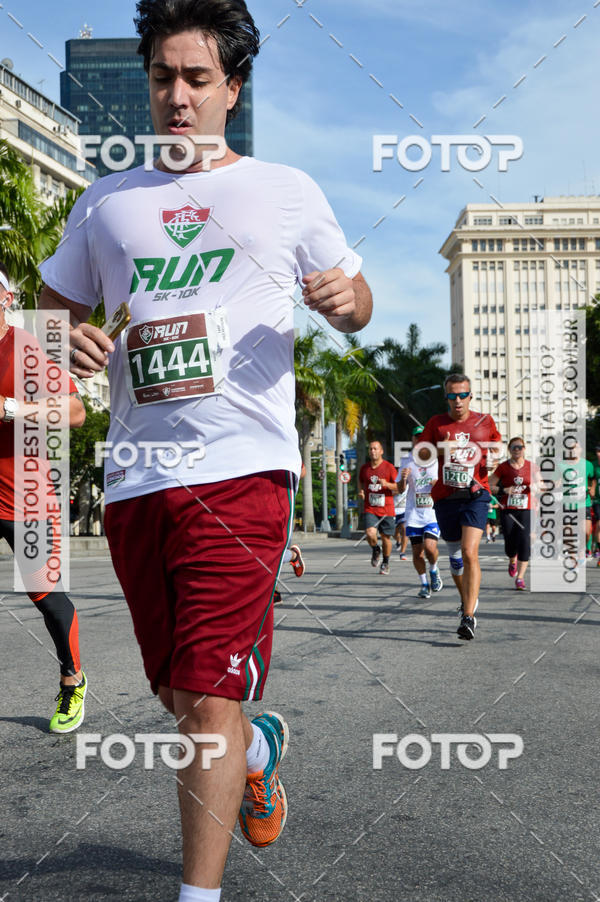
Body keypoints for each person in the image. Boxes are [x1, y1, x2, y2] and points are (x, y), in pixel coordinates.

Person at [38, 2, 373, 898]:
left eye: (196, 79)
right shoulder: (108, 199)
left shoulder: (285, 190)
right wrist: (62, 343)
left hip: (244, 471)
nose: (176, 97)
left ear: (233, 86)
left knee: (209, 698)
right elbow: (47, 320)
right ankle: (257, 748)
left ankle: (199, 893)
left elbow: (357, 296)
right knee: (180, 697)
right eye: (162, 78)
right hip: (138, 477)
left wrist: (344, 301)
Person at [0, 261, 88, 731]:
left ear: (6, 300)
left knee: (46, 595)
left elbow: (76, 412)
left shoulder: (26, 349)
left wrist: (13, 408)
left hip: (27, 498)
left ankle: (72, 681)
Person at [418, 374, 501, 640]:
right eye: (452, 396)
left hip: (476, 494)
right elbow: (420, 454)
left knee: (469, 552)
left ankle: (468, 616)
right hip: (445, 497)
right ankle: (467, 600)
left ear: (470, 396)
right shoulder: (436, 423)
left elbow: (496, 447)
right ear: (446, 398)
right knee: (456, 560)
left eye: (462, 395)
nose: (458, 401)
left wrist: (493, 461)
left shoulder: (484, 421)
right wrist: (442, 449)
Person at [397, 427, 442, 599]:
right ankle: (424, 584)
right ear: (413, 440)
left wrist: (436, 483)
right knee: (417, 552)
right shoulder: (406, 461)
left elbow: (443, 485)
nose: (420, 439)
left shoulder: (437, 460)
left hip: (432, 512)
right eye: (417, 437)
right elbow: (401, 490)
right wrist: (402, 479)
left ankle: (434, 569)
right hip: (413, 514)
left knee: (430, 549)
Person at [489, 437, 535, 590]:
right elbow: (490, 485)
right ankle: (512, 559)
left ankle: (520, 578)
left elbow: (540, 484)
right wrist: (504, 490)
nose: (517, 450)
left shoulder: (531, 467)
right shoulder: (503, 467)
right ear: (509, 449)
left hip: (526, 509)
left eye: (520, 447)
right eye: (514, 447)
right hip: (508, 509)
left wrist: (539, 487)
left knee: (524, 541)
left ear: (524, 449)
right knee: (510, 541)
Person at [359, 440, 397, 576]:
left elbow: (398, 488)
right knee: (370, 533)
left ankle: (385, 562)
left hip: (387, 509)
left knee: (386, 538)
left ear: (381, 451)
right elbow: (360, 481)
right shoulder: (365, 468)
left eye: (375, 449)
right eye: (370, 449)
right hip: (371, 508)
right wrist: (362, 491)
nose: (373, 451)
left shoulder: (389, 467)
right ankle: (376, 549)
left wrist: (387, 484)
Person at [393, 482, 409, 560]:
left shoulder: (410, 482)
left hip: (404, 510)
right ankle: (398, 540)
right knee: (394, 532)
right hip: (393, 510)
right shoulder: (393, 481)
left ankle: (402, 552)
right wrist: (398, 490)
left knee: (404, 529)